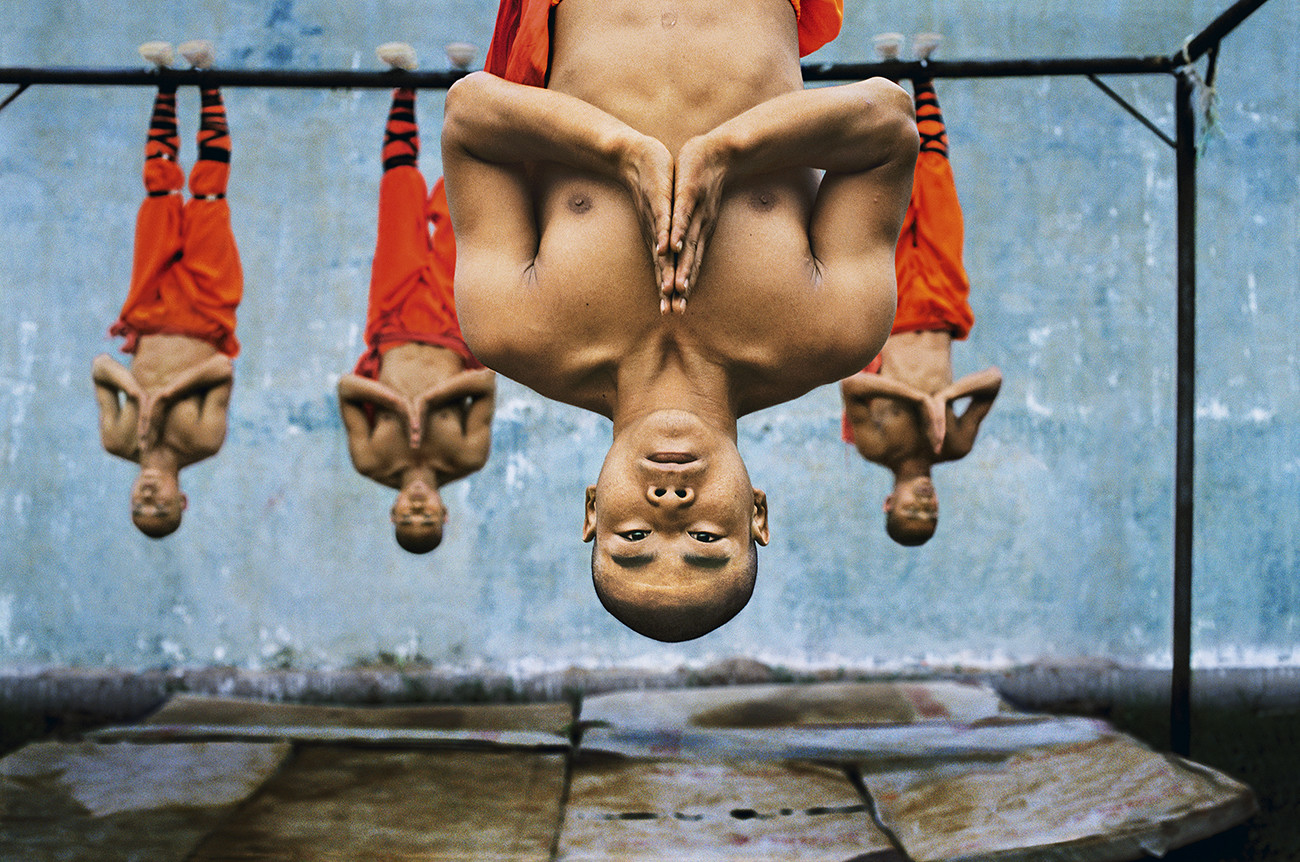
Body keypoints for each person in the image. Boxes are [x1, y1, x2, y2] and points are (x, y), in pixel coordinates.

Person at [441, 0, 918, 640]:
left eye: (633, 537)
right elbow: (887, 123)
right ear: (757, 515)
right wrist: (729, 151)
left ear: (591, 509)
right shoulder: (835, 332)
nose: (669, 508)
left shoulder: (512, 329)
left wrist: (619, 152)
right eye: (705, 538)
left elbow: (470, 114)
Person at [839, 34, 1002, 547]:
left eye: (912, 510)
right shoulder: (952, 444)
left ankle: (887, 77)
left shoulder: (875, 446)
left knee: (886, 194)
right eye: (931, 514)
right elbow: (993, 380)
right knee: (934, 186)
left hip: (888, 305)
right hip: (942, 305)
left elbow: (852, 387)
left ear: (890, 502)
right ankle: (923, 73)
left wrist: (916, 397)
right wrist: (945, 398)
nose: (925, 504)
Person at [336, 44, 496, 555]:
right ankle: (460, 82)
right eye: (428, 517)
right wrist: (428, 402)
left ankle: (402, 88)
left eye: (409, 516)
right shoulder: (467, 456)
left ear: (395, 510)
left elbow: (344, 388)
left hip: (393, 321)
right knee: (459, 208)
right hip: (453, 323)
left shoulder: (371, 460)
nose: (418, 508)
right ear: (444, 513)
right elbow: (486, 382)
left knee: (399, 204)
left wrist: (397, 403)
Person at [93, 40, 242, 539]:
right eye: (162, 509)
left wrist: (137, 392)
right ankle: (208, 79)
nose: (149, 500)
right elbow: (221, 368)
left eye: (140, 508)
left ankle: (165, 84)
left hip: (149, 310)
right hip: (206, 311)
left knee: (159, 194)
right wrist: (164, 398)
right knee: (207, 195)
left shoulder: (117, 440)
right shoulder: (202, 443)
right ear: (182, 499)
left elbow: (100, 367)